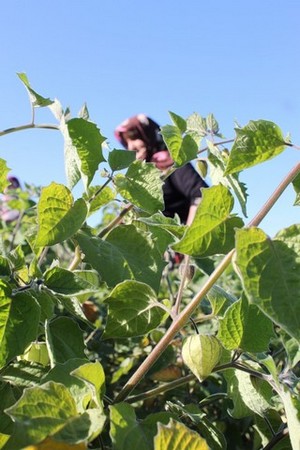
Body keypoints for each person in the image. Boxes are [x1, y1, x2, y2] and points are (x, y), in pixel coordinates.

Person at [114, 114, 208, 226]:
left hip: (175, 237)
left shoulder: (172, 164)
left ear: (148, 135)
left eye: (134, 137)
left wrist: (187, 235)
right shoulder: (141, 174)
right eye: (126, 143)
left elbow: (201, 194)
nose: (130, 147)